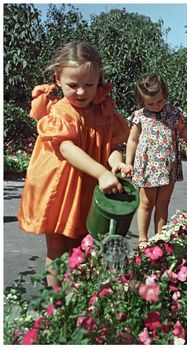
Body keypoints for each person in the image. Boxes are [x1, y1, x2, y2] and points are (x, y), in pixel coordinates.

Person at [18, 41, 130, 286]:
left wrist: (116, 164)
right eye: (73, 85)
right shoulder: (60, 112)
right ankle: (56, 306)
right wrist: (101, 172)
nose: (81, 92)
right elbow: (67, 148)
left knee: (84, 243)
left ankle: (79, 301)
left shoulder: (103, 111)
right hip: (61, 187)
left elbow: (110, 146)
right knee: (58, 246)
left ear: (99, 80)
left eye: (89, 85)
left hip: (88, 185)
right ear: (57, 79)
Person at [122, 73, 187, 249]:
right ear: (142, 101)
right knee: (146, 203)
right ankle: (143, 238)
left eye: (159, 101)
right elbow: (132, 140)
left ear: (165, 95)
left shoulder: (174, 113)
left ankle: (160, 237)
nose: (155, 106)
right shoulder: (139, 116)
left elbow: (183, 133)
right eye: (150, 103)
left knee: (163, 203)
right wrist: (128, 163)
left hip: (168, 165)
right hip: (147, 166)